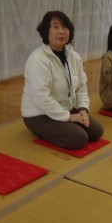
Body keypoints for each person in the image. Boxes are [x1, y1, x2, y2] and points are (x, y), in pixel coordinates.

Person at [21, 10, 104, 149]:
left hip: (66, 108)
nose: (61, 31)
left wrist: (82, 109)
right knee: (79, 138)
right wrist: (68, 117)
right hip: (39, 114)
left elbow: (81, 86)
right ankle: (43, 132)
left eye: (65, 27)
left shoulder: (73, 56)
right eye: (55, 27)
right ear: (46, 31)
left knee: (96, 132)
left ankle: (64, 126)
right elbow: (41, 97)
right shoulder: (38, 59)